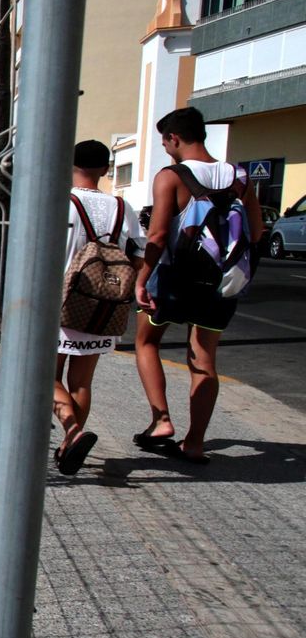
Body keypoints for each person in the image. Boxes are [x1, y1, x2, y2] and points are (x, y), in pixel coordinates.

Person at [132, 107, 264, 464]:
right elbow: (257, 230)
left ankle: (161, 421)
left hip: (175, 279)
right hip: (220, 283)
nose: (165, 148)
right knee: (204, 360)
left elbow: (158, 235)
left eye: (165, 142)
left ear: (174, 138)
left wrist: (142, 278)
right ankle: (195, 442)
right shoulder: (240, 176)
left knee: (146, 341)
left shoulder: (171, 176)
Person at [55, 139, 146, 474]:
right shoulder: (124, 209)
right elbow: (138, 258)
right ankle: (69, 446)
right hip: (103, 306)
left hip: (60, 302)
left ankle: (72, 431)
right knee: (81, 381)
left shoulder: (60, 203)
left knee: (46, 376)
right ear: (106, 169)